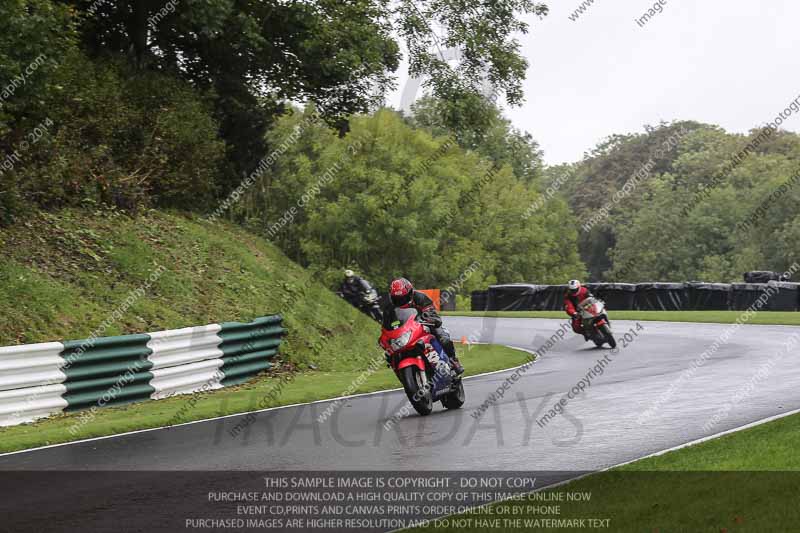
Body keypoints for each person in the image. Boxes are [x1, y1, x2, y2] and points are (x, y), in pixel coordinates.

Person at [383, 277, 464, 375]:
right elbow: (386, 324)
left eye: (403, 298)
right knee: (388, 354)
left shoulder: (420, 297)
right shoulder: (390, 308)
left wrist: (429, 318)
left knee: (443, 337)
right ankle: (401, 373)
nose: (401, 301)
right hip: (405, 332)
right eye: (397, 299)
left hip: (423, 325)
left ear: (410, 293)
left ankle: (453, 360)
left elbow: (431, 312)